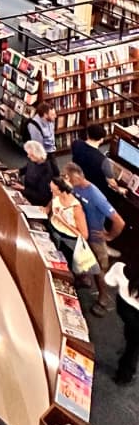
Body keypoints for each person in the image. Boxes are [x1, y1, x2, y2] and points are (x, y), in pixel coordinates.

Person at [65, 162, 125, 314]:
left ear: (77, 179)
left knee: (99, 269)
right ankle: (84, 279)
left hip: (95, 237)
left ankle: (103, 298)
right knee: (81, 257)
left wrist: (109, 236)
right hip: (80, 232)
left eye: (69, 179)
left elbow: (119, 221)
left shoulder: (96, 196)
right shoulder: (74, 186)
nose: (67, 181)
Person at [106, 256, 139, 384]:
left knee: (132, 336)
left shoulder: (122, 267)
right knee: (133, 347)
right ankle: (124, 376)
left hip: (124, 308)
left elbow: (109, 281)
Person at [71, 125, 128, 200]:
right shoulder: (103, 161)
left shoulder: (76, 144)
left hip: (78, 180)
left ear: (88, 135)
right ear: (102, 139)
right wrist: (119, 189)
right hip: (97, 190)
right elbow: (112, 183)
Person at [47, 174, 88, 266]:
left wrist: (63, 221)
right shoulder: (56, 195)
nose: (51, 192)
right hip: (52, 229)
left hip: (66, 240)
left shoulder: (76, 208)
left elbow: (84, 236)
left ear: (62, 191)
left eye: (53, 190)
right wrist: (47, 208)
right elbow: (53, 202)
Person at [20, 141, 59, 207]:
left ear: (36, 154)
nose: (28, 156)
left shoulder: (46, 171)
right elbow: (25, 169)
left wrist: (22, 188)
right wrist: (16, 172)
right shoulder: (34, 160)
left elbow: (42, 197)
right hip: (27, 194)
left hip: (36, 203)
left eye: (30, 154)